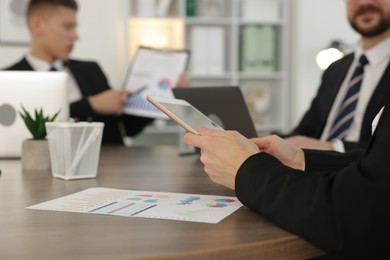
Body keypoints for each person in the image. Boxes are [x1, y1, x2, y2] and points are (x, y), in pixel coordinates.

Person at [4, 0, 186, 145]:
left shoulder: (90, 70)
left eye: (75, 27)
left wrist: (165, 97)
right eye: (68, 27)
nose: (76, 36)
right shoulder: (8, 78)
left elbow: (129, 128)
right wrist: (91, 105)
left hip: (111, 170)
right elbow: (23, 132)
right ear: (37, 26)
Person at [283, 0, 390, 153]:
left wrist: (333, 148)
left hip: (362, 173)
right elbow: (305, 132)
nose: (364, 2)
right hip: (311, 169)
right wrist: (266, 140)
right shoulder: (335, 69)